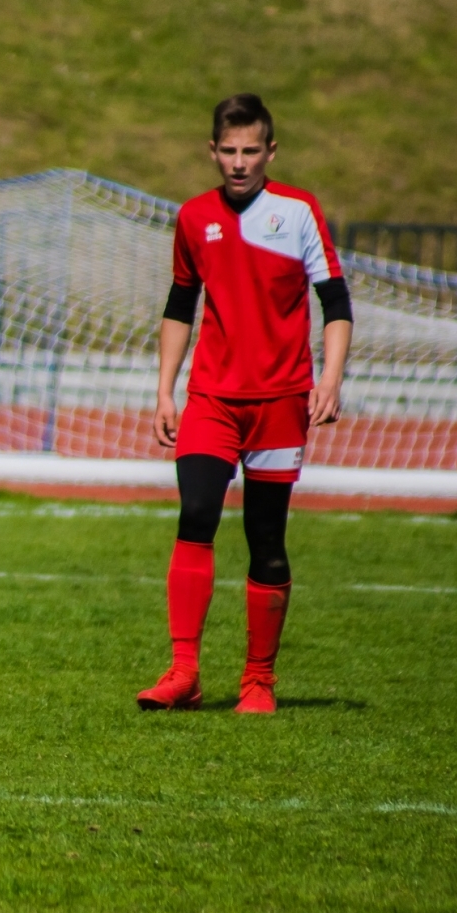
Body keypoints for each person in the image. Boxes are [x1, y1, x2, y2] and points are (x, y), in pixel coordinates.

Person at [138, 94, 353, 714]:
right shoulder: (193, 217)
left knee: (266, 537)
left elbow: (335, 302)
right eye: (228, 151)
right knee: (197, 512)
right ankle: (183, 673)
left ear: (270, 152)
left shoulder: (299, 211)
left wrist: (330, 378)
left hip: (280, 402)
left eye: (250, 150)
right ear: (212, 151)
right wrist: (165, 389)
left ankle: (259, 681)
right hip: (211, 398)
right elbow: (181, 303)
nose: (239, 162)